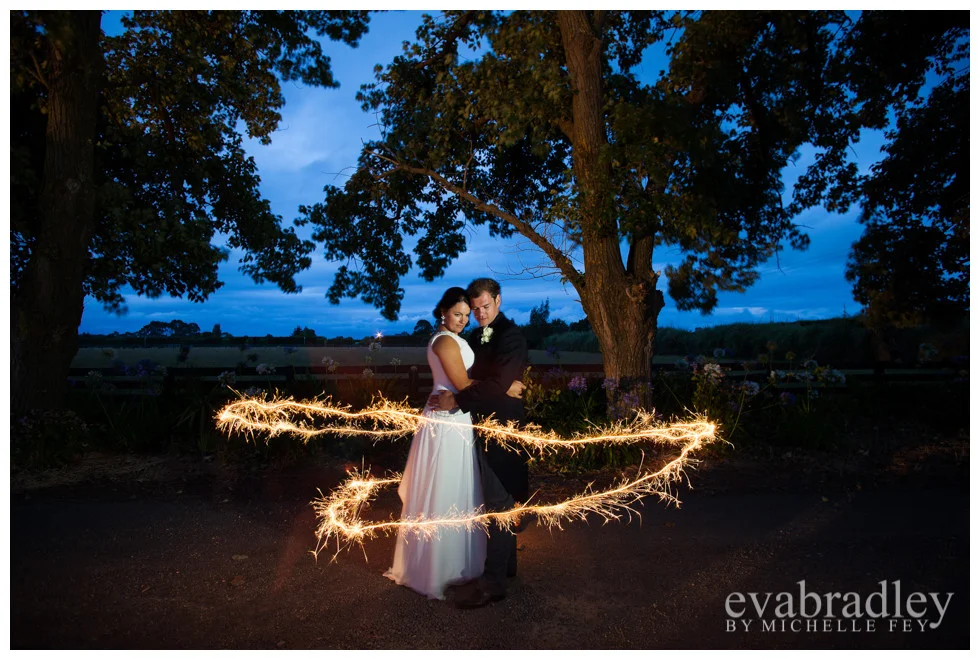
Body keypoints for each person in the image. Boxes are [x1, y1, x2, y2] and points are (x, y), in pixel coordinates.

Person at [384, 287, 523, 600]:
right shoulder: (444, 341)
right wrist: (506, 388)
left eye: (466, 315)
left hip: (458, 416)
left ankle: (459, 561)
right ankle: (440, 568)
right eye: (457, 314)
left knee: (459, 488)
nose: (463, 320)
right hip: (446, 420)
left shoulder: (454, 338)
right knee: (446, 487)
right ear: (442, 313)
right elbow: (461, 383)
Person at [435, 277, 530, 609]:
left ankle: (493, 584)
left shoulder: (512, 337)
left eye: (485, 307)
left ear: (498, 300)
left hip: (502, 427)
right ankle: (507, 567)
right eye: (474, 310)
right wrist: (500, 385)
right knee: (497, 498)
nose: (479, 315)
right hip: (477, 425)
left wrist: (458, 400)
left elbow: (494, 384)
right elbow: (480, 378)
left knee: (498, 501)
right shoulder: (475, 335)